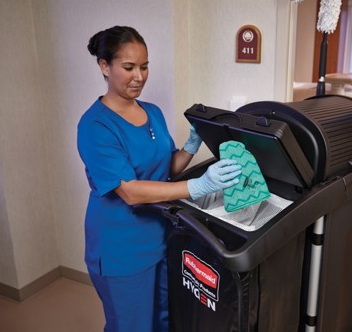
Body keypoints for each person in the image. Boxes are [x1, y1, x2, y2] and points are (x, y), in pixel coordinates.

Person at [77, 25, 241, 332]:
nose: (139, 76)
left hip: (161, 236)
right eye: (128, 67)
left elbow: (169, 168)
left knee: (165, 319)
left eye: (144, 66)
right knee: (133, 326)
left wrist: (192, 146)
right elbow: (129, 192)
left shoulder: (152, 112)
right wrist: (199, 186)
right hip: (121, 248)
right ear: (104, 65)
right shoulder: (95, 125)